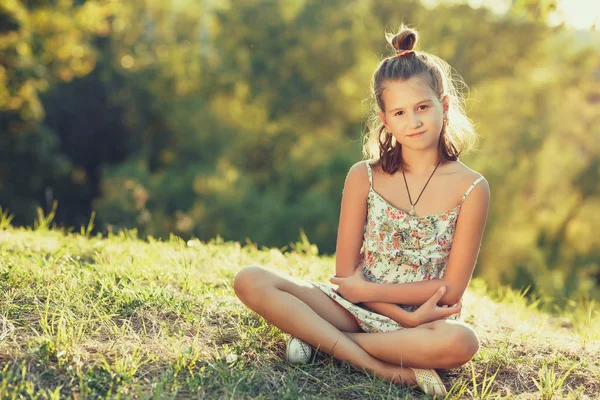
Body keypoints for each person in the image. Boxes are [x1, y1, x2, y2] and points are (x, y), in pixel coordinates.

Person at [234, 25, 489, 396]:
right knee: (250, 278)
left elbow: (448, 290)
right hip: (354, 308)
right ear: (385, 119)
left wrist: (407, 318)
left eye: (422, 107)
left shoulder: (472, 187)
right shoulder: (363, 176)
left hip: (422, 326)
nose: (413, 122)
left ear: (444, 105)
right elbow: (343, 276)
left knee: (463, 342)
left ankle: (322, 342)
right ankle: (379, 367)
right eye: (399, 112)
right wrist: (387, 307)